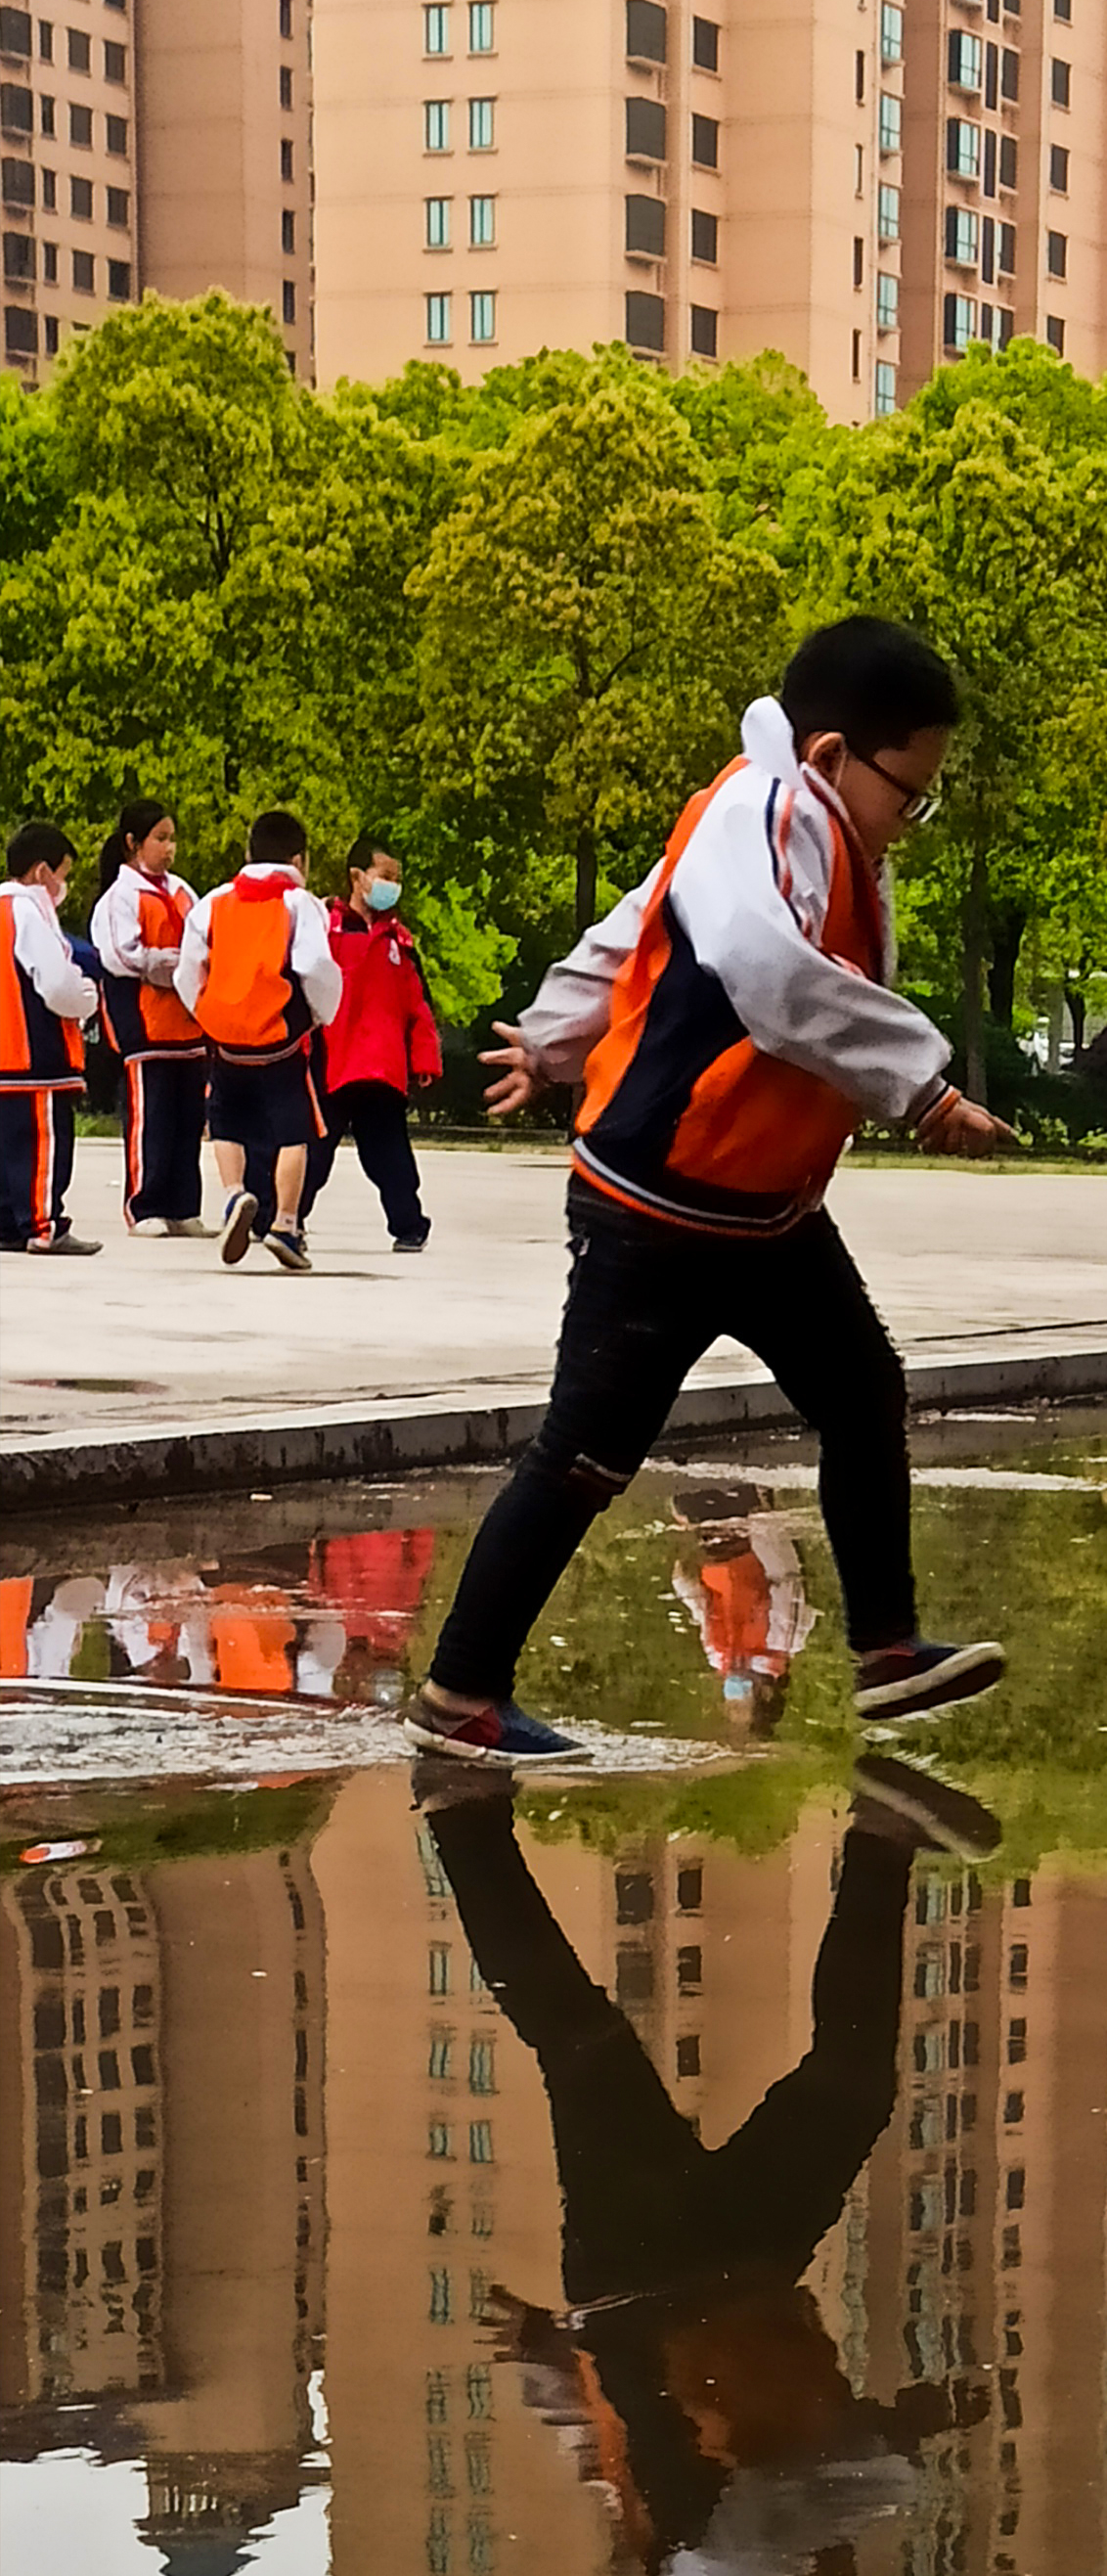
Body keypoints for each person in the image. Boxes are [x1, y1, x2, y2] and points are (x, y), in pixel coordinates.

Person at [406, 619, 1014, 1765]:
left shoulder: (805, 822)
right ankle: (458, 1695)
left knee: (862, 1390)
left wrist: (549, 1039)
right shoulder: (763, 811)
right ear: (834, 755)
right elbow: (767, 974)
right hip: (658, 1213)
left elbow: (631, 931)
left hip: (764, 1209)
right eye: (910, 793)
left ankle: (889, 1649)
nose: (910, 823)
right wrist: (924, 1087)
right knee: (585, 1456)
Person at [421, 1759, 996, 2576]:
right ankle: (881, 1837)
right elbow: (632, 2479)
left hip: (650, 2275)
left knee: (581, 2040)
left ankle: (459, 1812)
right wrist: (553, 2369)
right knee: (851, 2083)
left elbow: (739, 2524)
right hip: (745, 2276)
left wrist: (898, 2445)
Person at [174, 809, 341, 1272]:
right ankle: (286, 1223)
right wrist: (320, 1015)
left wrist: (209, 1014)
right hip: (280, 1041)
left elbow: (188, 970)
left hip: (227, 1040)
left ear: (248, 853)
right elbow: (315, 967)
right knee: (294, 1133)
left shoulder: (212, 902)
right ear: (299, 858)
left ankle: (234, 1197)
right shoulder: (299, 903)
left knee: (225, 1123)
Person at [306, 836, 445, 1250]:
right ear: (357, 876)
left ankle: (409, 1224)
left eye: (396, 879)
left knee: (390, 1157)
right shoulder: (322, 929)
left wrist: (424, 1057)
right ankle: (283, 1216)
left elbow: (417, 1006)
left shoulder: (400, 943)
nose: (392, 886)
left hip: (382, 1068)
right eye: (385, 876)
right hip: (332, 1061)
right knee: (314, 1152)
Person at [88, 802, 208, 1235]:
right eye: (160, 838)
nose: (169, 848)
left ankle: (183, 1205)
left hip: (188, 1024)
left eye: (172, 838)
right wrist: (170, 964)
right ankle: (144, 1205)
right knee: (150, 1118)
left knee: (187, 1119)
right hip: (146, 1024)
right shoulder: (120, 897)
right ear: (132, 843)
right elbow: (122, 955)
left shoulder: (181, 891)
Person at [0, 822, 101, 1258]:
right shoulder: (29, 909)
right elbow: (56, 983)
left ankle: (8, 1225)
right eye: (62, 873)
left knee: (6, 1149)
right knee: (43, 1144)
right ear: (42, 871)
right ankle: (44, 1223)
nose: (63, 886)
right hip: (33, 1051)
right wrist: (87, 997)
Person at [674, 1502, 815, 1739]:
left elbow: (704, 1611)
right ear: (766, 1693)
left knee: (688, 1497)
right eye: (739, 1705)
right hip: (748, 1543)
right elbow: (786, 1579)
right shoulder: (782, 1643)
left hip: (714, 1550)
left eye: (730, 1705)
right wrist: (761, 1526)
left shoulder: (718, 1658)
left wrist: (682, 1584)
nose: (731, 1697)